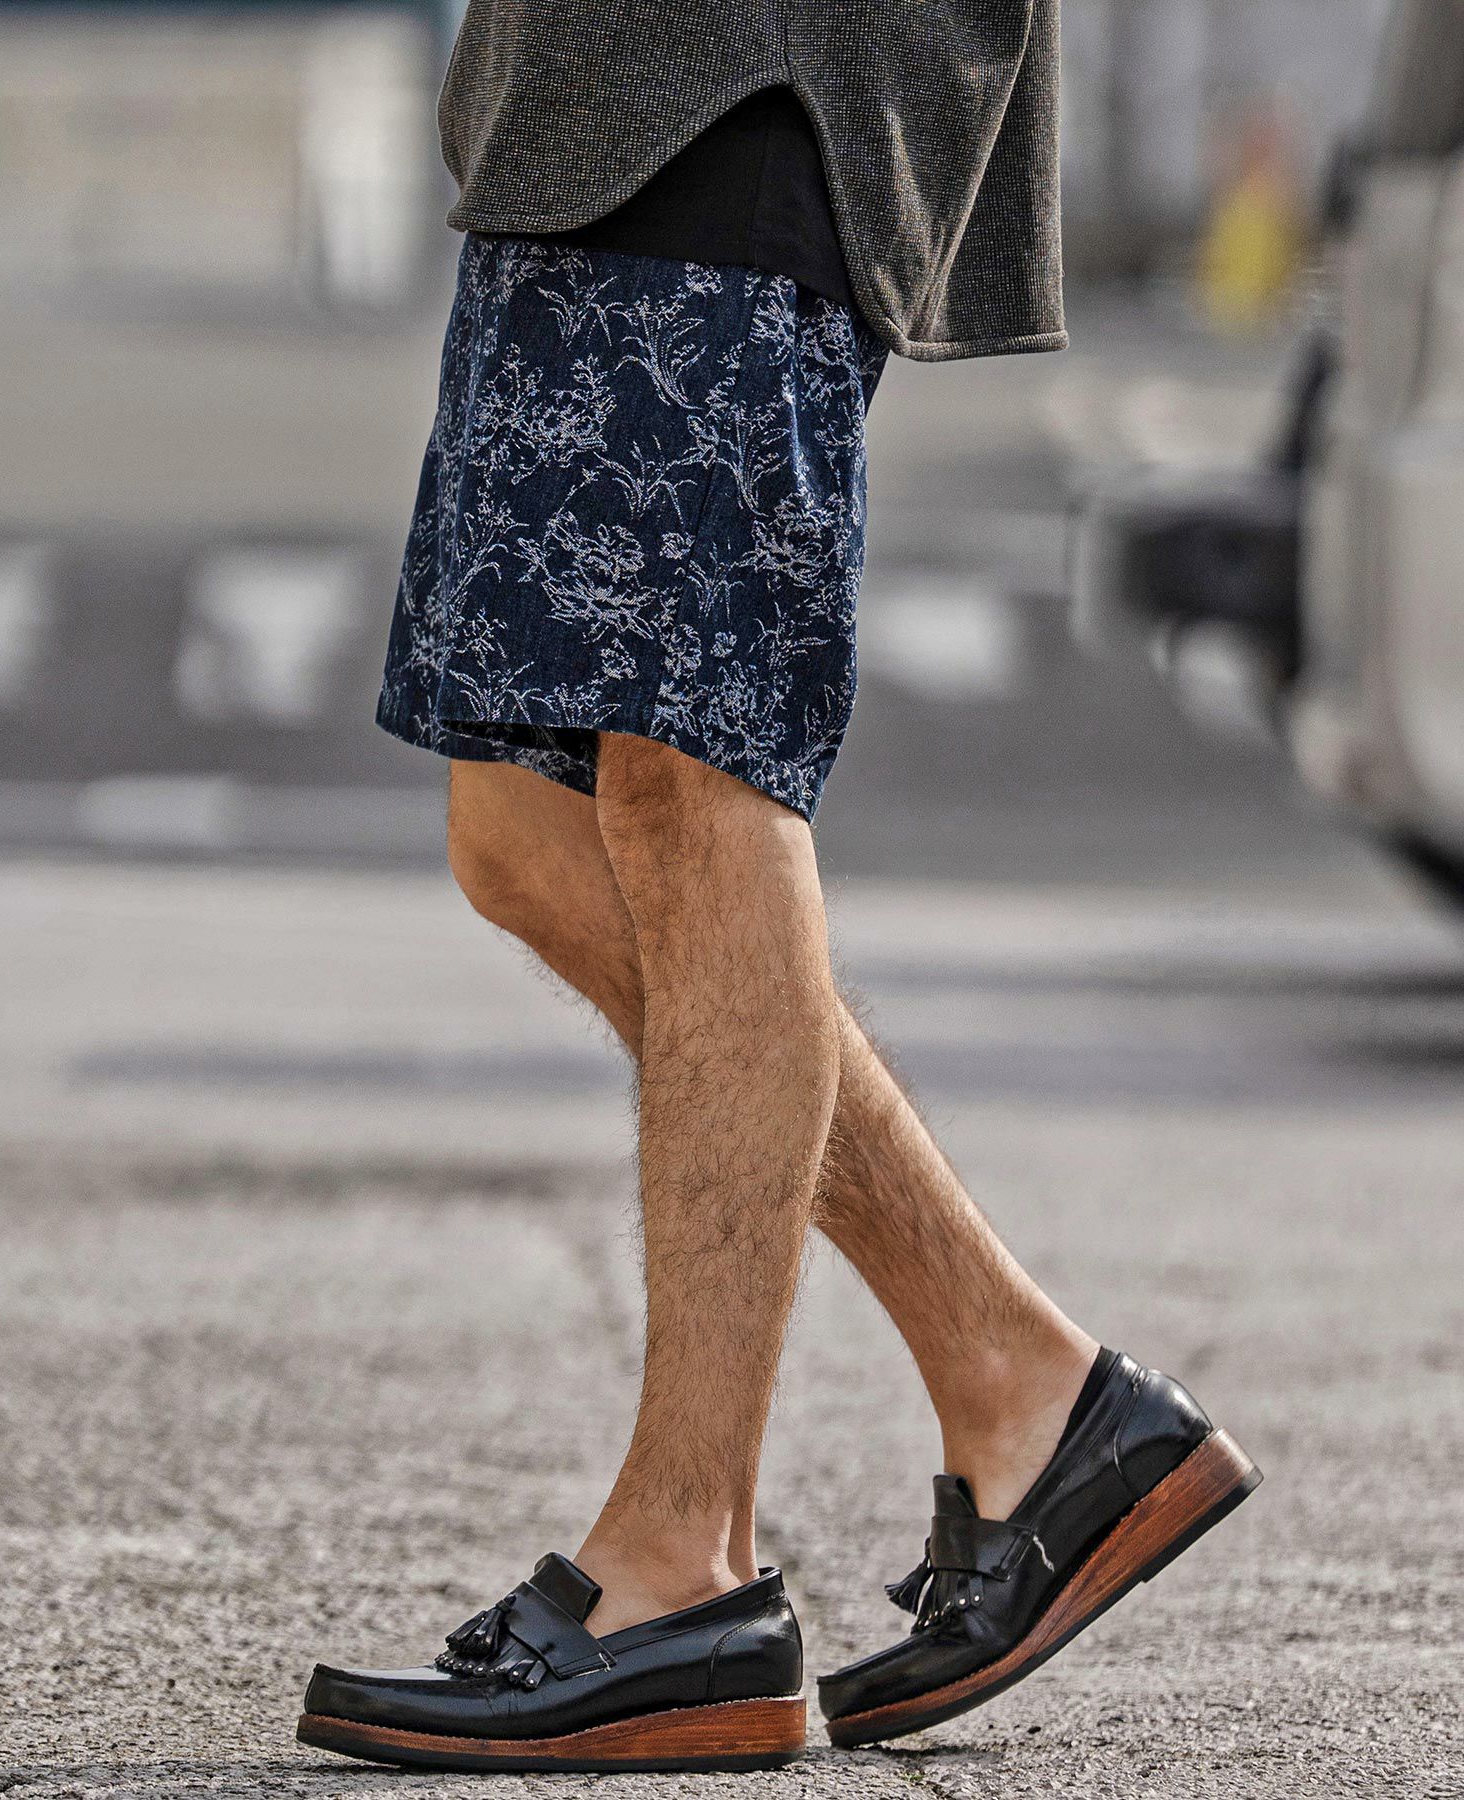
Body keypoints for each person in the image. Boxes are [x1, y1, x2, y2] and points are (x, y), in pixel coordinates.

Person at [297, 3, 1260, 1773]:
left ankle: (684, 1569)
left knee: (689, 772)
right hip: (586, 94)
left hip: (751, 72)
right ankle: (1026, 1388)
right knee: (523, 830)